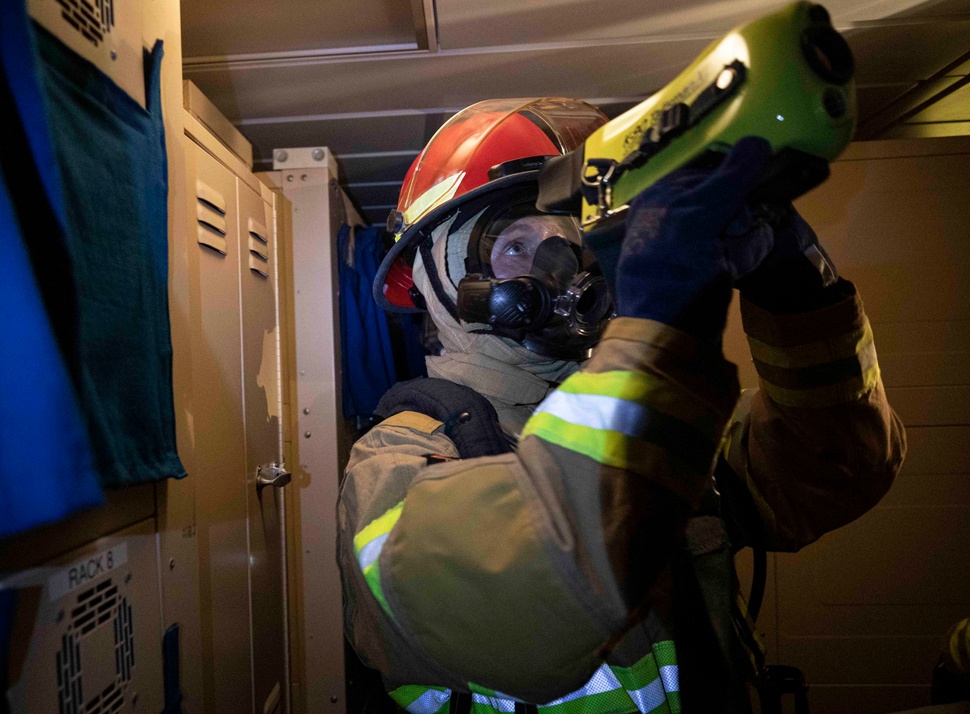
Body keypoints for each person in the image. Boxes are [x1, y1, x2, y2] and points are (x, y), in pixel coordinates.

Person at [337, 98, 906, 714]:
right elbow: (523, 609)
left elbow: (839, 469)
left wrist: (797, 292)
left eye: (575, 237)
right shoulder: (396, 463)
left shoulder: (664, 420)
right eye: (516, 243)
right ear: (440, 282)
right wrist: (661, 339)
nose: (563, 267)